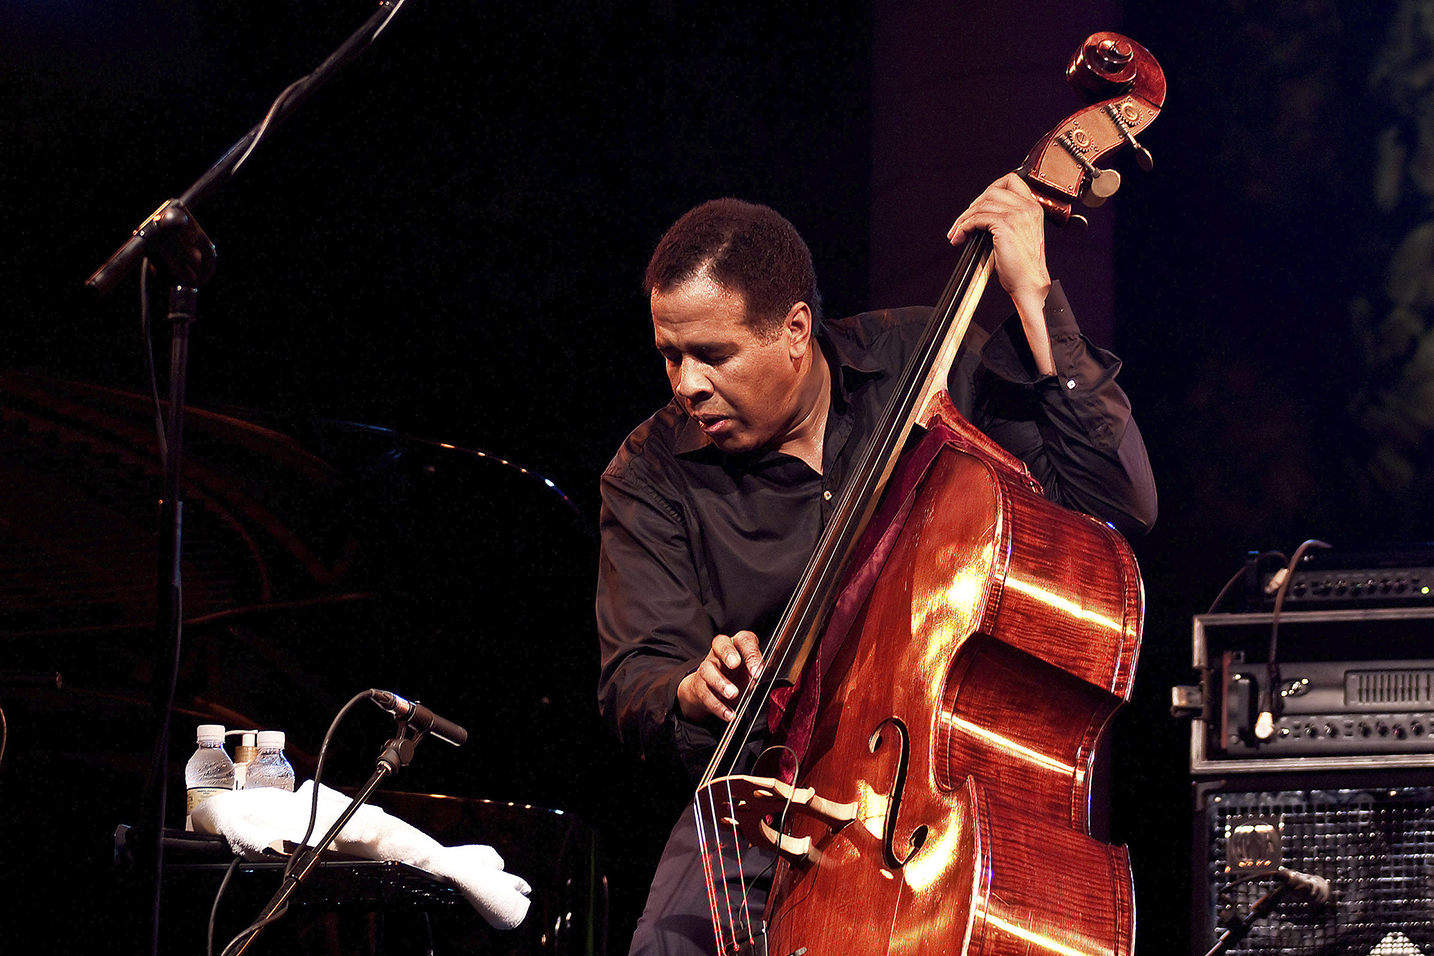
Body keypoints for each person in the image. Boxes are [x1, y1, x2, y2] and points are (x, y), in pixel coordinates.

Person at [596, 173, 1157, 956]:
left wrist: (1035, 297)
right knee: (667, 944)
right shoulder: (650, 471)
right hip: (765, 797)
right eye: (670, 356)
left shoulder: (931, 365)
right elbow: (635, 676)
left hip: (922, 815)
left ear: (795, 329)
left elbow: (1115, 499)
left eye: (713, 355)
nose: (688, 384)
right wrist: (690, 690)